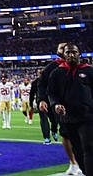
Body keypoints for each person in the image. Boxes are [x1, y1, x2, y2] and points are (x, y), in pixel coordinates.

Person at [48, 43, 93, 175]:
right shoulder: (57, 73)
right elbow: (52, 92)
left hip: (88, 117)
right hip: (68, 118)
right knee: (77, 149)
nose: (71, 55)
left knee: (89, 147)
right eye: (68, 53)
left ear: (79, 54)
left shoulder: (89, 71)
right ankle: (85, 171)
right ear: (64, 55)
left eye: (74, 52)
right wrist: (55, 104)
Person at [39, 42, 81, 175]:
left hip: (83, 106)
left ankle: (81, 162)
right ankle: (73, 163)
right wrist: (42, 100)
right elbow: (42, 85)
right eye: (62, 48)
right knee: (66, 134)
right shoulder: (52, 68)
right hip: (62, 107)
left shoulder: (83, 67)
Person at [30, 74, 57, 144]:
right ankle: (47, 137)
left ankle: (54, 130)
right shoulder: (35, 82)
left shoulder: (51, 80)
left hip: (51, 102)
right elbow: (32, 94)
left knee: (54, 119)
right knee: (44, 120)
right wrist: (31, 105)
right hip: (41, 103)